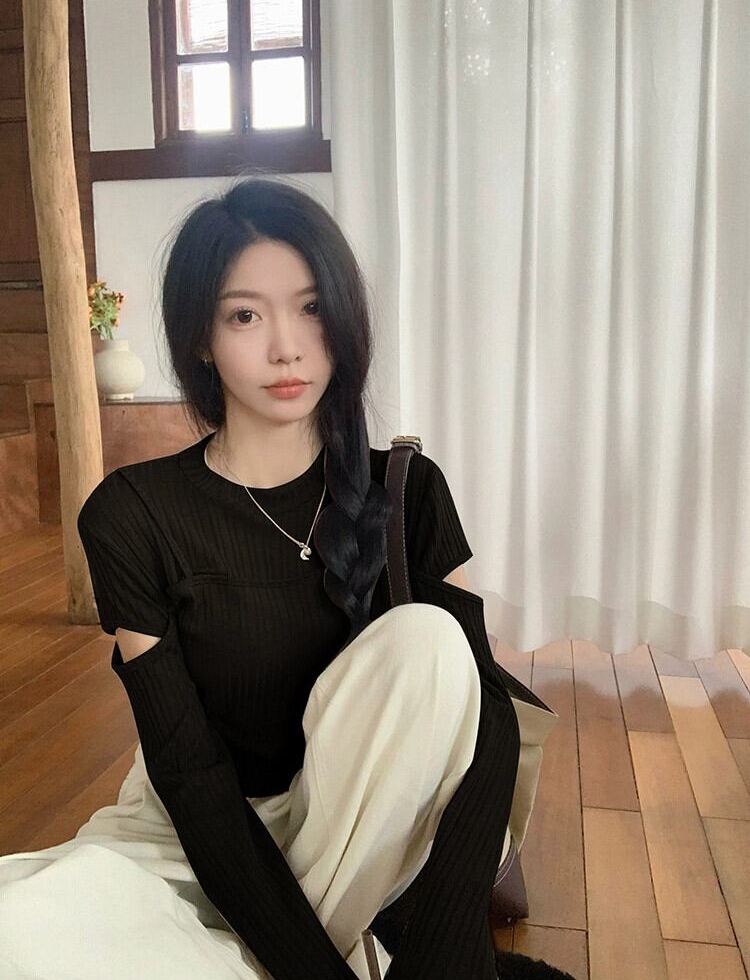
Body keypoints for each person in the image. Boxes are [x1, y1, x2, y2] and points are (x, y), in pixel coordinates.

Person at [0, 176, 572, 980]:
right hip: (191, 837)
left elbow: (487, 721)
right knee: (18, 932)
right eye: (245, 316)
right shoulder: (131, 514)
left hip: (360, 837)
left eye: (310, 308)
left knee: (430, 639)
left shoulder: (407, 490)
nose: (287, 348)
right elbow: (188, 773)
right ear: (201, 338)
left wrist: (448, 957)